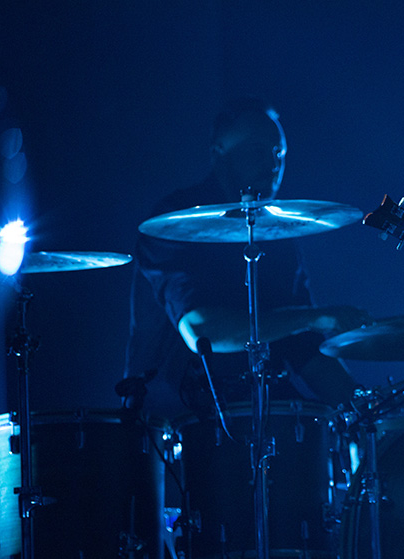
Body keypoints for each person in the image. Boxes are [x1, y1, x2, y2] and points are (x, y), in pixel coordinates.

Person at [124, 97, 364, 416]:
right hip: (178, 412)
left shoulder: (278, 235)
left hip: (261, 403)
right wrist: (312, 316)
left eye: (279, 153)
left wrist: (364, 410)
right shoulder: (175, 224)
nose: (273, 162)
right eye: (258, 150)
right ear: (219, 152)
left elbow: (303, 348)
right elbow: (203, 332)